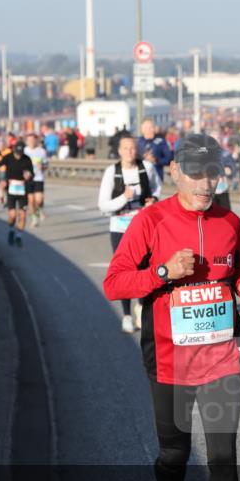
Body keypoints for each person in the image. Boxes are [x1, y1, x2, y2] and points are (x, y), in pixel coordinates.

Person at [102, 133, 240, 481]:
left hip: (221, 357)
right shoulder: (151, 221)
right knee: (174, 454)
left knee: (223, 456)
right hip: (169, 360)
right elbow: (114, 284)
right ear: (175, 173)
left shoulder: (229, 221)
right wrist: (163, 272)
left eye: (212, 173)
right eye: (195, 173)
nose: (205, 183)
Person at [97, 135, 162, 333]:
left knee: (144, 268)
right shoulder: (112, 172)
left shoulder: (147, 168)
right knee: (124, 272)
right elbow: (103, 205)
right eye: (125, 148)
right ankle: (126, 315)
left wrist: (154, 201)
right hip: (119, 226)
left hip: (142, 227)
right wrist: (122, 198)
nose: (129, 152)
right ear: (119, 151)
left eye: (133, 148)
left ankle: (142, 307)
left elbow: (158, 189)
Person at [0, 140, 34, 247]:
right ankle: (11, 230)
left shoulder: (27, 159)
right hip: (11, 188)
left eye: (20, 153)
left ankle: (19, 237)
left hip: (22, 189)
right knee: (12, 215)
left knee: (22, 215)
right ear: (14, 151)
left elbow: (32, 174)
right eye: (17, 154)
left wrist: (29, 176)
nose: (19, 156)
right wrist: (2, 179)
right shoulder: (8, 157)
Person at [24, 134, 49, 226]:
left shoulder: (42, 151)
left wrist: (42, 166)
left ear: (36, 141)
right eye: (29, 140)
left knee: (39, 199)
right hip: (28, 179)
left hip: (38, 177)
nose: (31, 142)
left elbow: (46, 164)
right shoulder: (24, 151)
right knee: (31, 201)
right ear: (26, 141)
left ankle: (39, 209)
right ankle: (34, 218)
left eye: (33, 140)